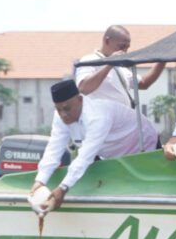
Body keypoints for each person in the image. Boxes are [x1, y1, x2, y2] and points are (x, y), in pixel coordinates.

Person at [30, 79, 159, 210]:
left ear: (80, 100)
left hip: (144, 145)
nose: (63, 115)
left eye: (67, 108)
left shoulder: (97, 116)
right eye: (58, 110)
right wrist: (39, 181)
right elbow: (54, 148)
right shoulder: (60, 116)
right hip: (111, 155)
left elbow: (85, 157)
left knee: (145, 193)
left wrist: (63, 187)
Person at [74, 25, 165, 107]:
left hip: (122, 120)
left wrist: (162, 60)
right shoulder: (89, 60)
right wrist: (110, 64)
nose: (124, 51)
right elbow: (83, 88)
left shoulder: (120, 66)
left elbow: (144, 83)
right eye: (122, 46)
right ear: (107, 41)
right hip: (103, 121)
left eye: (127, 47)